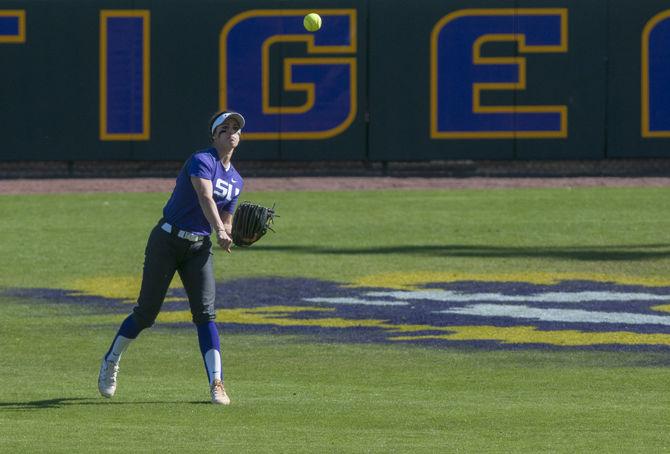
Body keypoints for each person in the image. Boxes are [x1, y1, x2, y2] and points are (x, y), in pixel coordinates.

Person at [98, 110, 246, 405]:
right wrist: (219, 228)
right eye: (225, 128)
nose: (232, 132)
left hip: (198, 249)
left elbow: (227, 217)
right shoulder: (202, 160)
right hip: (167, 241)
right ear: (214, 136)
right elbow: (205, 197)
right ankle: (111, 360)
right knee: (146, 314)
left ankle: (217, 383)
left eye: (236, 129)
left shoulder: (237, 181)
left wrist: (230, 234)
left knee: (206, 316)